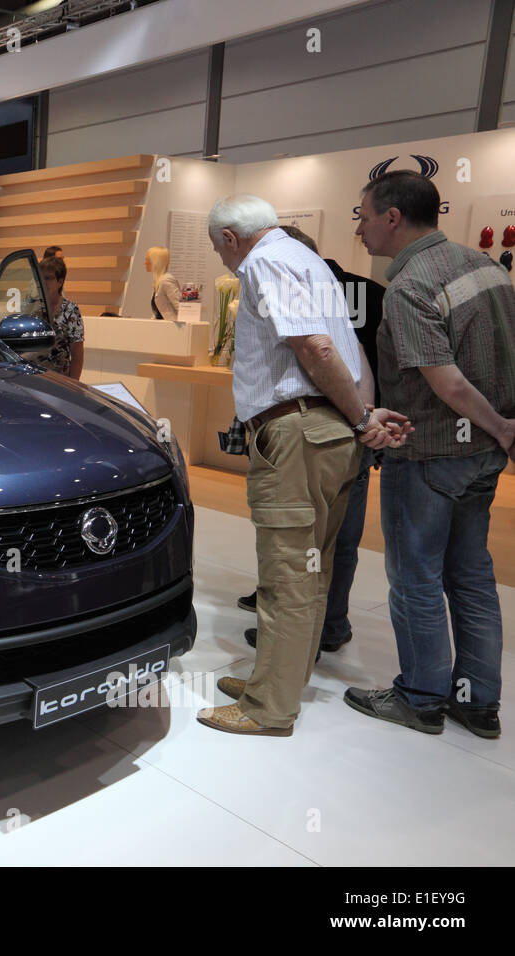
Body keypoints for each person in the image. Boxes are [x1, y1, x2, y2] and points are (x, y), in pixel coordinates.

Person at [195, 194, 411, 738]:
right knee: (313, 568)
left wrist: (362, 417)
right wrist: (362, 413)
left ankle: (269, 706)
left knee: (289, 571)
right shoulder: (310, 260)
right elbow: (345, 346)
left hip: (297, 433)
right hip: (327, 432)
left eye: (218, 249)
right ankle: (280, 678)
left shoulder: (264, 261)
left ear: (229, 238)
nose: (223, 260)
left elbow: (314, 347)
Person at [344, 171, 515, 739]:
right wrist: (503, 434)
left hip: (429, 456)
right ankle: (477, 700)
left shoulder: (412, 285)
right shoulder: (487, 266)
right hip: (481, 458)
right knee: (469, 573)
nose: (361, 229)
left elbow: (450, 384)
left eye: (364, 216)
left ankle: (420, 696)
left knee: (415, 576)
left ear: (393, 218)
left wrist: (500, 427)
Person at [238, 224, 387, 658]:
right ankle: (318, 628)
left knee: (303, 544)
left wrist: (361, 421)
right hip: (355, 425)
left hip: (324, 428)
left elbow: (326, 353)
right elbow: (360, 358)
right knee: (326, 540)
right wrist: (366, 423)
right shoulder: (364, 290)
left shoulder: (298, 285)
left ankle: (304, 636)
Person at [37, 255, 84, 378]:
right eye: (40, 278)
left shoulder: (71, 310)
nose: (43, 282)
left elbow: (77, 355)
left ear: (60, 281)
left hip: (60, 381)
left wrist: (74, 387)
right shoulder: (30, 307)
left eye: (48, 278)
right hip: (33, 379)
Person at [145, 246, 181, 320]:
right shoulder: (158, 281)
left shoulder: (166, 280)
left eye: (147, 260)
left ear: (155, 261)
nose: (145, 263)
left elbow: (179, 306)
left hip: (172, 327)